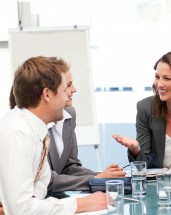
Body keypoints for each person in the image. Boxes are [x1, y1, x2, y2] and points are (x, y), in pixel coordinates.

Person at [0, 56, 107, 214]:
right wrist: (80, 204)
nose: (68, 96)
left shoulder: (37, 130)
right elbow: (21, 209)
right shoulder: (17, 132)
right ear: (47, 94)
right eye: (65, 90)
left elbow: (40, 190)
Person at [45, 58, 125, 194]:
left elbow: (69, 167)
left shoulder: (69, 114)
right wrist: (96, 180)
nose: (74, 89)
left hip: (55, 196)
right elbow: (47, 180)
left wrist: (103, 176)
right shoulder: (35, 124)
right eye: (68, 85)